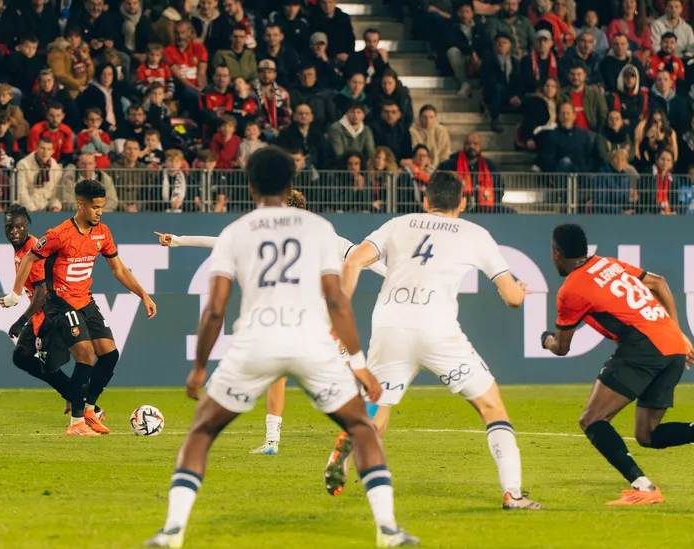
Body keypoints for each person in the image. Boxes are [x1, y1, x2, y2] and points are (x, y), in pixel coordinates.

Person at [142, 147, 418, 549]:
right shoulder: (320, 231)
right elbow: (338, 300)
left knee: (202, 431)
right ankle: (389, 531)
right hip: (312, 342)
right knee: (361, 428)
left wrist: (200, 367)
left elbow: (215, 309)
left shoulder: (239, 231)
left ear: (250, 186)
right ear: (291, 184)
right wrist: (358, 364)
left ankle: (171, 532)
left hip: (256, 341)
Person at [329, 172, 542, 512]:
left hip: (389, 327)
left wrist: (339, 312)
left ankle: (347, 446)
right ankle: (512, 494)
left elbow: (353, 260)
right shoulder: (476, 233)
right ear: (463, 202)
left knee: (379, 413)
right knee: (491, 407)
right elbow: (512, 297)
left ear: (425, 201)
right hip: (437, 330)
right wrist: (519, 292)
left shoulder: (398, 224)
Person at [153, 183, 388, 453]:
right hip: (312, 319)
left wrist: (180, 240)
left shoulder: (293, 239)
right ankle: (277, 440)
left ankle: (354, 428)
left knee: (314, 374)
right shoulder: (325, 238)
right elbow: (362, 258)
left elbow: (222, 244)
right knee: (304, 374)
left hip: (311, 318)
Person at [542, 223, 694, 504]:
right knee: (647, 435)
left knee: (592, 419)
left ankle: (645, 488)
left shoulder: (571, 289)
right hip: (672, 345)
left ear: (556, 254)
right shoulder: (608, 263)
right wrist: (677, 331)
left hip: (644, 348)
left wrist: (545, 339)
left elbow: (561, 347)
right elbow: (659, 282)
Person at [2, 180, 156, 436]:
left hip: (86, 301)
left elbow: (118, 269)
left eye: (102, 207)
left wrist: (143, 295)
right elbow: (30, 256)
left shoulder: (102, 233)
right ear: (80, 204)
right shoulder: (59, 234)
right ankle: (76, 424)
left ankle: (88, 408)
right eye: (95, 207)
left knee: (110, 355)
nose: (99, 212)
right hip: (59, 304)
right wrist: (16, 293)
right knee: (86, 355)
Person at [438, 133, 506, 212]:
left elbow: (499, 186)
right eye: (468, 143)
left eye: (475, 143)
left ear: (481, 146)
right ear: (464, 146)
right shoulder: (450, 165)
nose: (471, 146)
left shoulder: (490, 166)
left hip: (485, 210)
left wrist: (494, 202)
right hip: (455, 209)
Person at [482, 33, 525, 133]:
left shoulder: (515, 62)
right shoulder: (488, 60)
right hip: (494, 94)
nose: (501, 45)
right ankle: (494, 120)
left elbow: (519, 81)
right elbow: (490, 82)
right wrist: (509, 97)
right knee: (497, 88)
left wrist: (517, 96)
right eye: (498, 42)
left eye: (504, 42)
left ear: (510, 46)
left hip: (512, 96)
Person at [445, 1, 485, 97]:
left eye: (467, 12)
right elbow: (453, 41)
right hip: (462, 56)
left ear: (473, 13)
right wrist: (471, 52)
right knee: (452, 52)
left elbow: (485, 43)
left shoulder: (480, 26)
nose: (464, 15)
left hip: (477, 59)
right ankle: (465, 83)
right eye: (461, 12)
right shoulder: (451, 25)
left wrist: (478, 56)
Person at [562, 64, 607, 132]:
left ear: (584, 75)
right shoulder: (562, 94)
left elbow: (603, 114)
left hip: (591, 134)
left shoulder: (594, 92)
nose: (575, 77)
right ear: (568, 75)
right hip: (568, 135)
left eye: (579, 74)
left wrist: (598, 134)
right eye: (572, 74)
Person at [409, 104, 450, 170]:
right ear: (419, 117)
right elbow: (415, 151)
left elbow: (445, 153)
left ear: (435, 118)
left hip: (439, 167)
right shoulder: (413, 131)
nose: (428, 120)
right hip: (418, 167)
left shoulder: (441, 131)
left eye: (431, 117)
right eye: (424, 117)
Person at [522, 29, 559, 94]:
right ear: (535, 43)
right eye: (539, 40)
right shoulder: (527, 60)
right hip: (533, 93)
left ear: (551, 43)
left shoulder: (557, 61)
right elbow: (526, 81)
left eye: (545, 40)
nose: (542, 43)